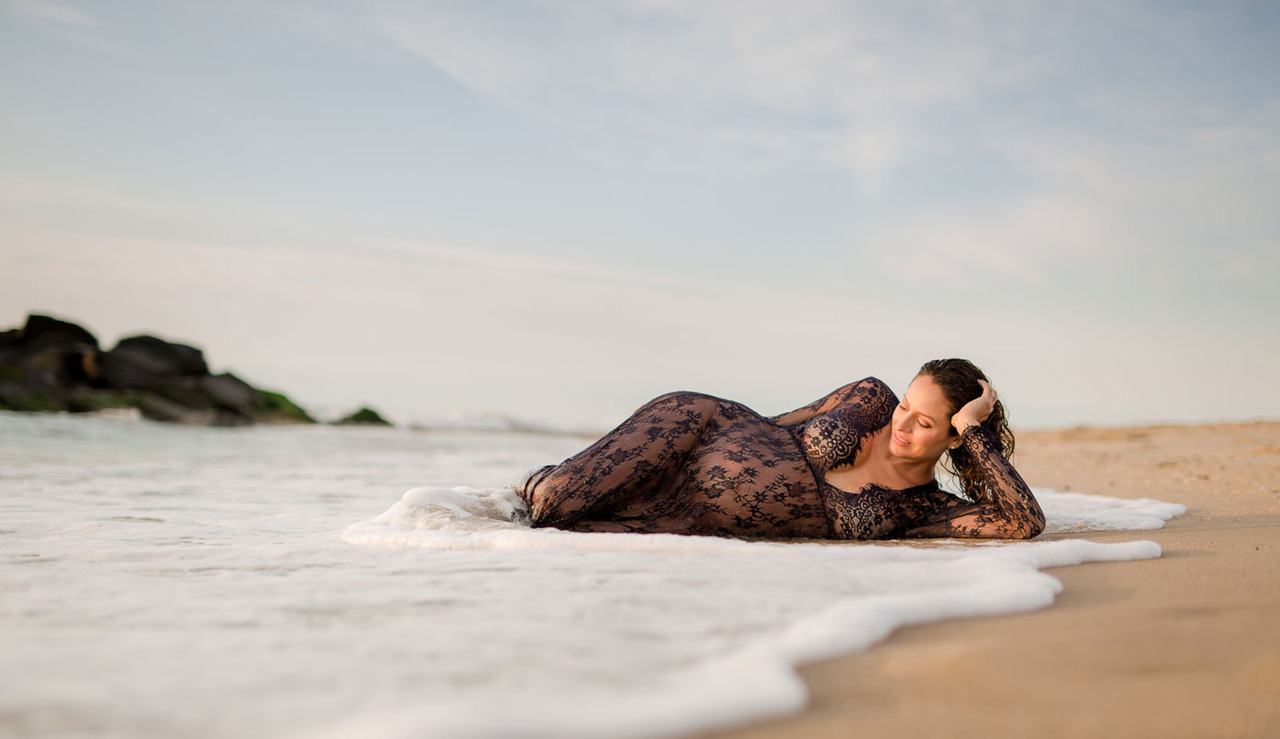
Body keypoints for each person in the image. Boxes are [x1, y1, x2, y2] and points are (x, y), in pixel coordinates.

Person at [515, 359, 1045, 540]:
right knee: (550, 502)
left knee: (555, 531)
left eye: (925, 422)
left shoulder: (925, 509)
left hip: (688, 520)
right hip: (697, 428)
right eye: (905, 403)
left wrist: (978, 430)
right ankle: (539, 476)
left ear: (955, 435)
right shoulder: (869, 397)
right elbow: (771, 424)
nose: (900, 422)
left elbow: (1023, 523)